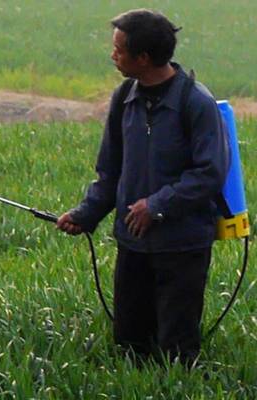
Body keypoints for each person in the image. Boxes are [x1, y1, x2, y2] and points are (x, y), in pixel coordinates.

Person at [56, 9, 229, 366]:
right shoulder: (124, 98)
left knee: (175, 351)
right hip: (133, 243)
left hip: (182, 246)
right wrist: (85, 215)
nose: (112, 55)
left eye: (119, 49)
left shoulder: (196, 102)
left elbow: (210, 173)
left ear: (144, 58)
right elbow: (110, 171)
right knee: (129, 345)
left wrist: (156, 206)